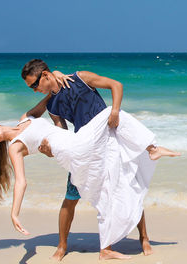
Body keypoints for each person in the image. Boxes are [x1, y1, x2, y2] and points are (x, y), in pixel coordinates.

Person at [0, 107, 180, 260]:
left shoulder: (26, 118)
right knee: (110, 113)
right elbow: (21, 182)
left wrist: (59, 75)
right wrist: (14, 213)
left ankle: (107, 248)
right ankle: (152, 149)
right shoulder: (14, 147)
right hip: (73, 151)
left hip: (77, 142)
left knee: (110, 184)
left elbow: (50, 96)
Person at [21, 59, 153, 260]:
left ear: (46, 75)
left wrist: (115, 110)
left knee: (126, 189)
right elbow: (62, 134)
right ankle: (62, 245)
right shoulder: (52, 106)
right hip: (84, 149)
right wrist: (50, 149)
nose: (34, 90)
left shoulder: (80, 78)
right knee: (71, 197)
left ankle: (144, 238)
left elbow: (115, 85)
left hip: (109, 141)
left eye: (34, 85)